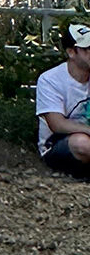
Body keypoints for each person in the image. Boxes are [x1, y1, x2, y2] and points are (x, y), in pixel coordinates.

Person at [37, 22, 90, 179]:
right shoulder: (50, 80)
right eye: (88, 49)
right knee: (81, 143)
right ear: (71, 52)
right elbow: (57, 124)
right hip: (56, 144)